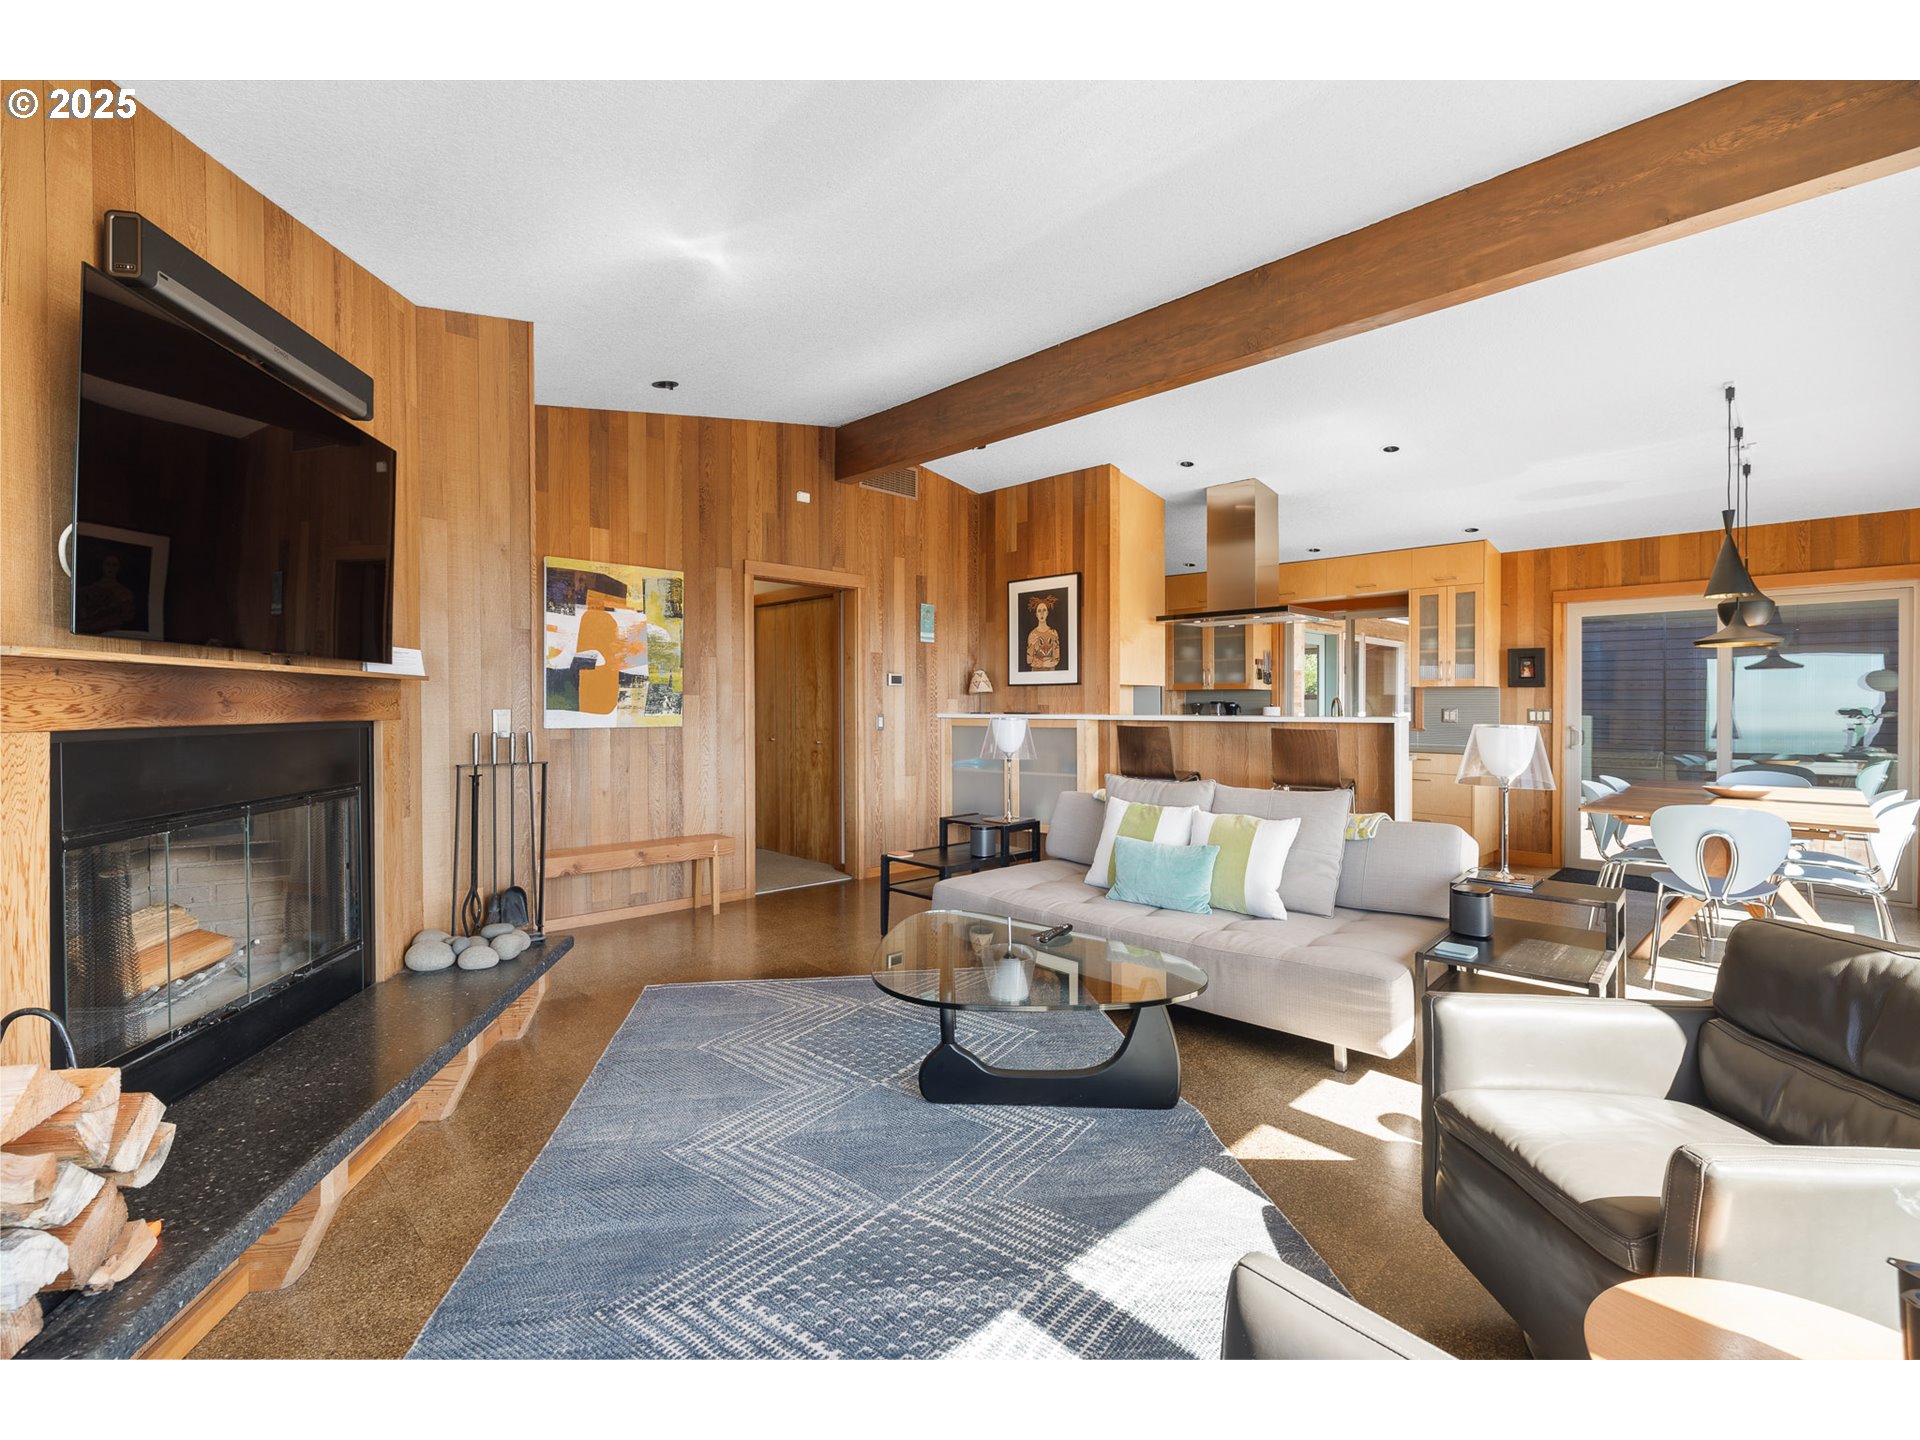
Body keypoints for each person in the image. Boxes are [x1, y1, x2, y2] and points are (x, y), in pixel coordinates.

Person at [1025, 594, 1061, 672]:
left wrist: (1041, 663)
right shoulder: (1033, 635)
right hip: (1036, 674)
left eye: (1044, 610)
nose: (1042, 613)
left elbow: (1056, 658)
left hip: (1051, 673)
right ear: (1036, 614)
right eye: (1039, 611)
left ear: (1047, 613)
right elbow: (1029, 660)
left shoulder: (1053, 633)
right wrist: (1044, 664)